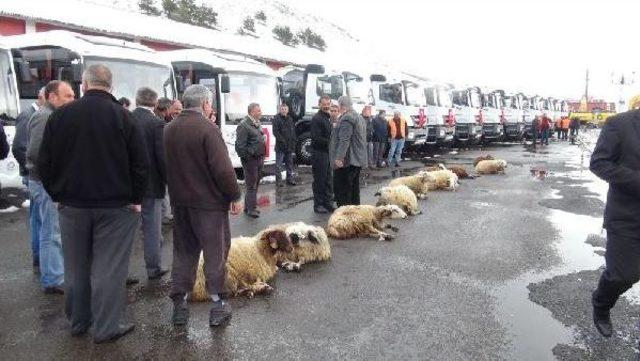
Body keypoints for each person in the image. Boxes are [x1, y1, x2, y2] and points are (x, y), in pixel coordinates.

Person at [38, 64, 148, 343]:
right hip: (116, 207)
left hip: (72, 206)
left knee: (75, 266)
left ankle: (78, 321)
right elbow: (140, 164)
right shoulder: (124, 117)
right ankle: (106, 327)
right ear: (110, 87)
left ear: (83, 85)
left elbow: (44, 163)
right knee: (108, 268)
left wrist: (57, 194)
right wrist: (136, 199)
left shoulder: (60, 117)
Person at [164, 84, 242, 328]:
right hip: (208, 204)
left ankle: (180, 304)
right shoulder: (207, 129)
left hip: (181, 203)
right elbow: (222, 169)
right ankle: (218, 304)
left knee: (184, 253)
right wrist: (235, 195)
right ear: (206, 104)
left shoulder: (169, 128)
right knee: (215, 254)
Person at [589, 106, 640, 338]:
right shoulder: (619, 124)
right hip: (627, 217)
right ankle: (601, 304)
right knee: (623, 275)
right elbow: (599, 163)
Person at [27, 80, 75, 294]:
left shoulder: (51, 116)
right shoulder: (45, 117)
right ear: (52, 97)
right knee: (52, 231)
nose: (72, 100)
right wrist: (55, 179)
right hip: (45, 182)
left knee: (44, 226)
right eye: (68, 96)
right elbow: (36, 153)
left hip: (44, 180)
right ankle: (53, 279)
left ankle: (46, 268)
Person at [131, 87, 169, 280]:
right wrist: (168, 180)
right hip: (151, 185)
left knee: (126, 232)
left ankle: (122, 272)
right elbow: (161, 157)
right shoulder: (156, 123)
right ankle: (153, 268)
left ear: (136, 100)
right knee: (152, 230)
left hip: (127, 186)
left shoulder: (126, 118)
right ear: (155, 103)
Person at [12, 87, 45, 270]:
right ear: (42, 97)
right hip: (32, 175)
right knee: (38, 219)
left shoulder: (34, 114)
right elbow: (19, 147)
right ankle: (38, 256)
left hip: (31, 174)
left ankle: (39, 256)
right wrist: (30, 168)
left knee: (37, 217)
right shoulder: (28, 115)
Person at [330, 96, 367, 207]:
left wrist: (339, 158)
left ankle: (344, 215)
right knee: (354, 190)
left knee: (342, 191)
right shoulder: (359, 117)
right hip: (357, 159)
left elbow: (344, 140)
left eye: (339, 106)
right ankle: (355, 214)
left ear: (343, 106)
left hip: (348, 161)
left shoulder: (347, 118)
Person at [235, 103, 266, 218]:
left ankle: (249, 207)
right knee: (251, 185)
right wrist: (249, 157)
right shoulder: (244, 125)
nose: (260, 112)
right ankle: (251, 209)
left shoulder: (256, 123)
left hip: (258, 158)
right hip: (251, 160)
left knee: (255, 183)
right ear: (251, 112)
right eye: (258, 110)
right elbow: (239, 146)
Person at [310, 96, 334, 213]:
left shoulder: (327, 117)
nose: (326, 106)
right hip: (319, 153)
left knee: (328, 179)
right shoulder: (317, 119)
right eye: (324, 104)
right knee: (320, 180)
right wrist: (331, 142)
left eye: (328, 104)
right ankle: (318, 204)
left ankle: (328, 203)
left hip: (327, 153)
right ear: (319, 104)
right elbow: (316, 138)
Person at [272, 103, 297, 187]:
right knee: (278, 165)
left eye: (285, 109)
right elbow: (275, 132)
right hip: (280, 146)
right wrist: (282, 141)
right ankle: (279, 181)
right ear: (280, 110)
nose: (284, 110)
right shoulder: (276, 118)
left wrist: (293, 142)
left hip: (289, 146)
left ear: (288, 110)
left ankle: (289, 179)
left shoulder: (290, 119)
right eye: (282, 109)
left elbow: (292, 131)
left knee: (289, 164)